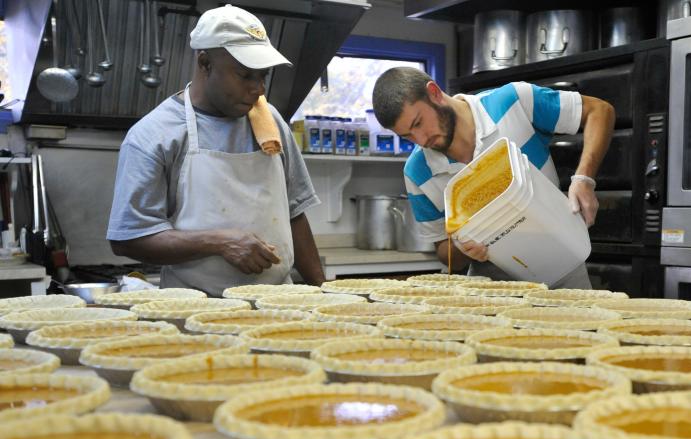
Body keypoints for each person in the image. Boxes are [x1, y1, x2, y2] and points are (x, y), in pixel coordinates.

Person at [106, 5, 324, 296]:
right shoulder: (156, 135)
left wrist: (325, 292)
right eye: (245, 75)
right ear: (205, 62)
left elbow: (295, 214)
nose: (259, 89)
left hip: (277, 302)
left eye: (264, 76)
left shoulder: (268, 121)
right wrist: (218, 242)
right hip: (198, 305)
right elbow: (127, 239)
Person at [371, 67, 614, 288]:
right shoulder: (417, 173)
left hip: (564, 266)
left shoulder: (513, 101)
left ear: (434, 92)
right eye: (408, 136)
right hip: (489, 288)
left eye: (419, 123)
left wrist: (584, 178)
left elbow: (599, 111)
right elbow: (445, 254)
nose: (421, 140)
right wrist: (462, 247)